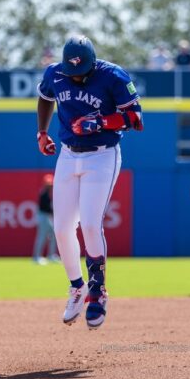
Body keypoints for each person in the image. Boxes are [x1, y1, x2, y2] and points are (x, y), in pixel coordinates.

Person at [35, 35, 144, 330]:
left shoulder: (113, 75)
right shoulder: (55, 73)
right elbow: (45, 98)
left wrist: (100, 122)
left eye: (82, 70)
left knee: (92, 225)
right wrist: (42, 133)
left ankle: (97, 292)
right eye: (73, 72)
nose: (78, 76)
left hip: (102, 155)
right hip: (68, 155)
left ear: (92, 62)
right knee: (61, 227)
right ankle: (76, 287)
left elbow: (136, 118)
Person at [32, 174, 60, 264]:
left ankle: (51, 255)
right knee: (42, 236)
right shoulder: (44, 193)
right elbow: (45, 208)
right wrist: (53, 211)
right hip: (43, 216)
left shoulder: (48, 193)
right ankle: (36, 257)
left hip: (47, 217)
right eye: (49, 184)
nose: (50, 186)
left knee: (53, 234)